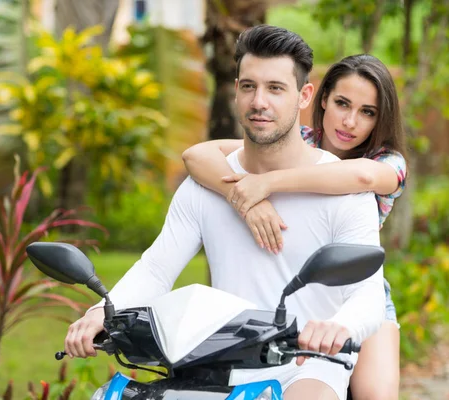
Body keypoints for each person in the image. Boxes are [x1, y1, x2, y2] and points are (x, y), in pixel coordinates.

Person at [63, 25, 385, 400]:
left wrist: (338, 327)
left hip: (306, 365)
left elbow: (368, 295)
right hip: (213, 363)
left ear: (304, 96)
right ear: (236, 90)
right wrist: (104, 310)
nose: (259, 101)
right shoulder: (208, 184)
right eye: (248, 86)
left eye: (275, 88)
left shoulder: (344, 191)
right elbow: (157, 268)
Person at [182, 54, 407, 399]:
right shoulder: (295, 141)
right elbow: (197, 155)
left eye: (367, 112)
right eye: (342, 103)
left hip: (357, 291)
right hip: (289, 291)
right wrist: (243, 196)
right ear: (321, 99)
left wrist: (268, 182)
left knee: (376, 394)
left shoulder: (387, 162)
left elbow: (361, 176)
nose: (349, 121)